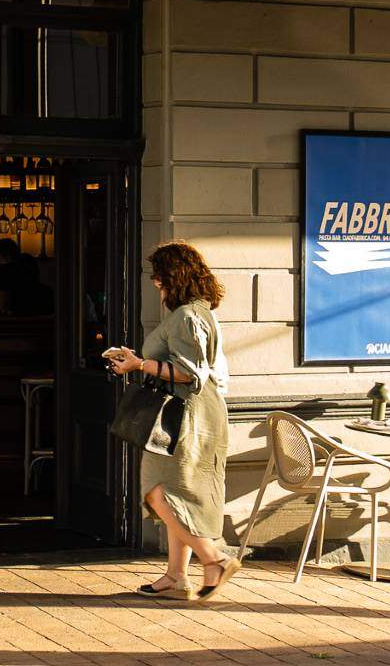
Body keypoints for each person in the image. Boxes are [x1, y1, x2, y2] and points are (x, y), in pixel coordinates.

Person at [103, 240, 239, 602]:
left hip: (187, 418)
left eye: (158, 275)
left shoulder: (187, 316)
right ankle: (177, 577)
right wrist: (137, 360)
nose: (155, 283)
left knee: (158, 491)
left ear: (172, 276)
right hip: (192, 415)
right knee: (177, 493)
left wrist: (138, 364)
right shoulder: (193, 312)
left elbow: (189, 374)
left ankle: (216, 559)